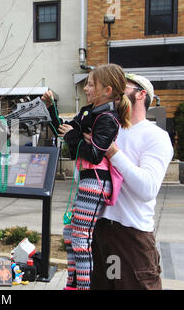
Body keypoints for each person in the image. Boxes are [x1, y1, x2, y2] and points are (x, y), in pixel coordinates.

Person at [42, 64, 132, 290]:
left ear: (107, 90)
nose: (86, 89)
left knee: (81, 236)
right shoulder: (87, 112)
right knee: (69, 232)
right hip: (87, 179)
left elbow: (94, 154)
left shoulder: (108, 119)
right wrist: (51, 107)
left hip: (97, 181)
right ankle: (72, 284)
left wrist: (74, 137)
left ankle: (82, 286)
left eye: (91, 84)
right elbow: (62, 130)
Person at [90, 73, 174, 290]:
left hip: (132, 236)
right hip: (101, 232)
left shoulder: (155, 136)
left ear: (141, 94)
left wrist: (112, 152)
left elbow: (147, 189)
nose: (115, 91)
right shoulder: (110, 129)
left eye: (123, 87)